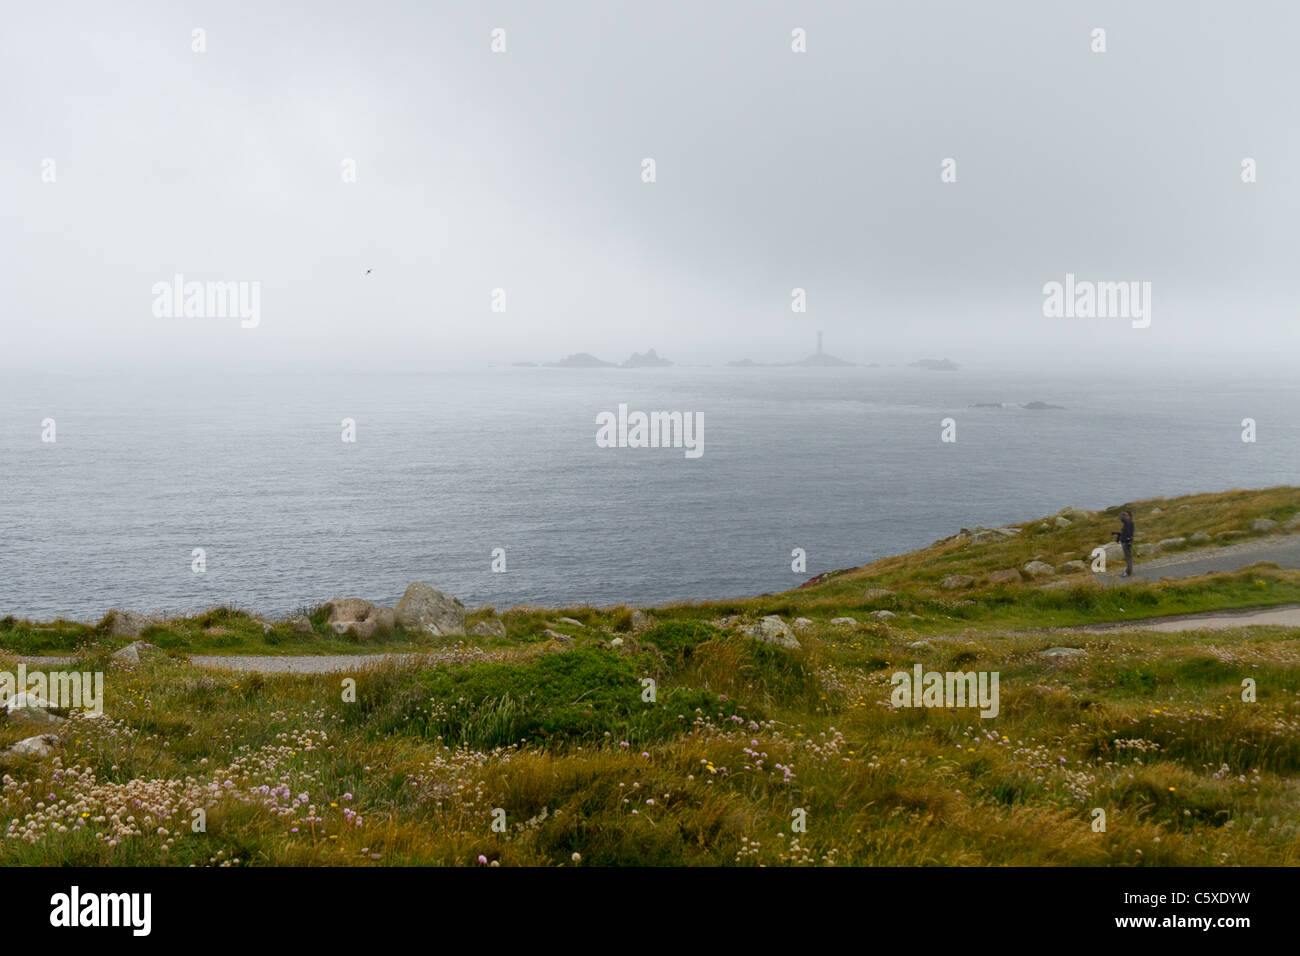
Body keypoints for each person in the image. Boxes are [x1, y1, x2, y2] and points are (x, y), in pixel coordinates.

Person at [1115, 510, 1135, 577]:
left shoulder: (1129, 522)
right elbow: (1125, 533)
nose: (1125, 516)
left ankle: (1128, 572)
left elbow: (1121, 518)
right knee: (1128, 557)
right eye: (1125, 515)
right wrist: (1118, 538)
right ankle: (1128, 571)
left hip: (1127, 543)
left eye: (1126, 515)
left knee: (1128, 558)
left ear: (1129, 516)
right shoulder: (1129, 523)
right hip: (1126, 542)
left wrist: (1122, 513)